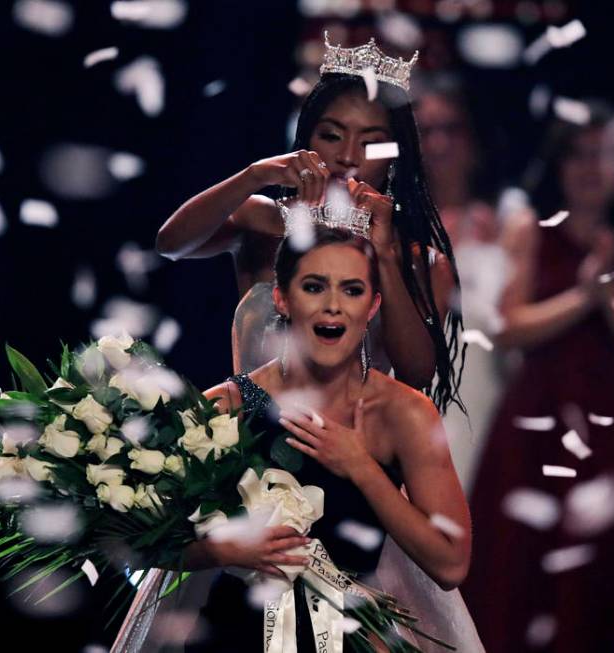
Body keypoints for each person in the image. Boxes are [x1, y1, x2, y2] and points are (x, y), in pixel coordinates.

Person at [114, 228, 481, 651]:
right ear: (282, 299)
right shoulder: (225, 406)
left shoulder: (405, 413)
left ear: (373, 305)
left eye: (352, 289)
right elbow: (143, 544)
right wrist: (224, 549)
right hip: (234, 637)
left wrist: (361, 467)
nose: (332, 306)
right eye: (314, 286)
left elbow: (451, 563)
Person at [156, 32, 465, 413]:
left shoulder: (419, 259)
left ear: (394, 158)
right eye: (332, 136)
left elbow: (417, 374)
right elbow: (169, 244)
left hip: (352, 450)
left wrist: (383, 253)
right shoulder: (262, 220)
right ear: (305, 139)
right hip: (249, 450)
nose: (348, 156)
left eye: (370, 144)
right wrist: (252, 175)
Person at [460, 105, 614, 652]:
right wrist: (584, 295)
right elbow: (506, 326)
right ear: (560, 163)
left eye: (604, 154)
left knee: (609, 562)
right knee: (524, 564)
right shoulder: (530, 227)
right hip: (540, 413)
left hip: (611, 417)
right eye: (579, 153)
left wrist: (609, 290)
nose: (591, 167)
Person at [414, 73, 507, 489]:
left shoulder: (507, 223)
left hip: (494, 390)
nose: (439, 144)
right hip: (416, 394)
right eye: (426, 131)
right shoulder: (394, 225)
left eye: (450, 128)